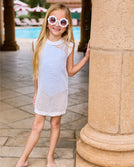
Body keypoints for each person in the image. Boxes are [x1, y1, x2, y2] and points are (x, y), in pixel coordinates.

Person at [15, 3, 90, 167]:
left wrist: (85, 58)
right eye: (53, 19)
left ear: (67, 26)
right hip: (43, 92)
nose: (57, 24)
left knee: (55, 124)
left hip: (59, 93)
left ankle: (50, 157)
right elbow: (36, 72)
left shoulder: (68, 46)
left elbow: (70, 71)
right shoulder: (37, 43)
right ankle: (23, 159)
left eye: (62, 22)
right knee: (36, 126)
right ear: (47, 21)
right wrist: (36, 93)